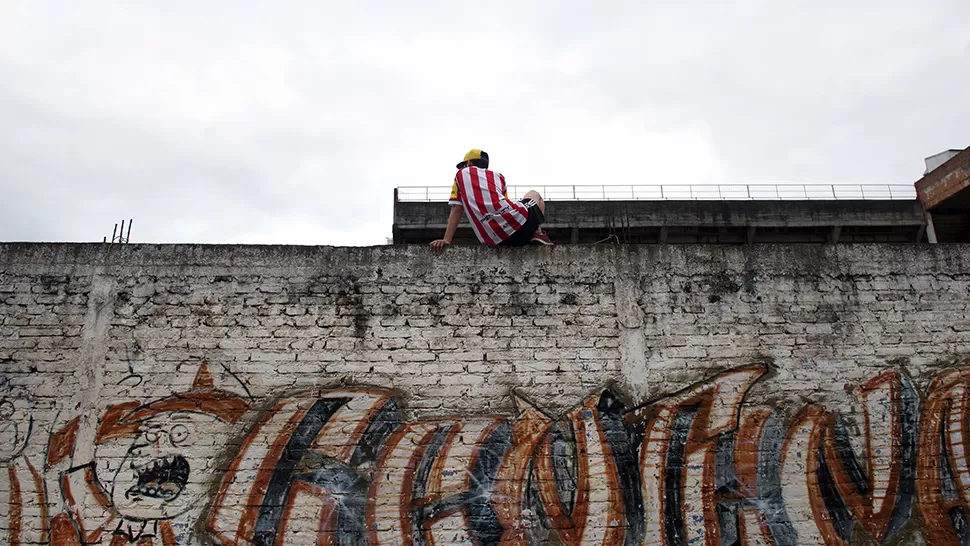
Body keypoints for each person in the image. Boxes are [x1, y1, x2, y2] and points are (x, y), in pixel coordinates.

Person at [430, 149, 552, 249]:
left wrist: (446, 240)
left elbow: (457, 207)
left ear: (469, 164)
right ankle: (538, 233)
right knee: (534, 194)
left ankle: (536, 233)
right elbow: (505, 204)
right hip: (521, 228)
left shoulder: (461, 174)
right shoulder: (499, 177)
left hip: (496, 239)